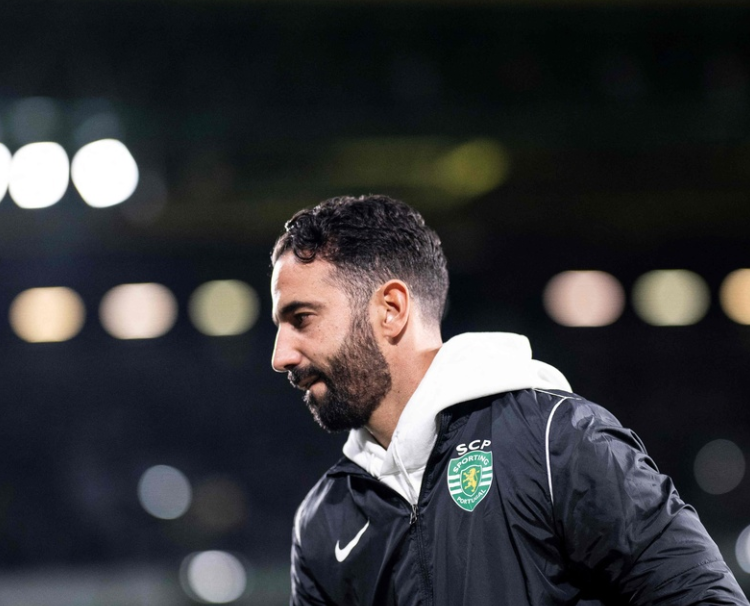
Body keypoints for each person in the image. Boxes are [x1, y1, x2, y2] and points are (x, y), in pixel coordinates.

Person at [269, 195, 749, 605]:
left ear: (391, 310)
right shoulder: (322, 519)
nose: (280, 356)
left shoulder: (555, 441)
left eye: (302, 318)